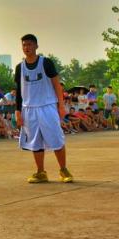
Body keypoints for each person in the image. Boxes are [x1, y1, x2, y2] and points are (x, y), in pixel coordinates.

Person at [15, 34, 73, 184]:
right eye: (24, 45)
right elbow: (19, 91)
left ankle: (63, 169)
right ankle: (41, 172)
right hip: (29, 108)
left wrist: (61, 105)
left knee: (56, 138)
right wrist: (17, 112)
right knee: (35, 142)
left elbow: (57, 85)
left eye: (29, 44)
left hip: (47, 106)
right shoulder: (19, 67)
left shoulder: (46, 63)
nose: (26, 48)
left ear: (36, 46)